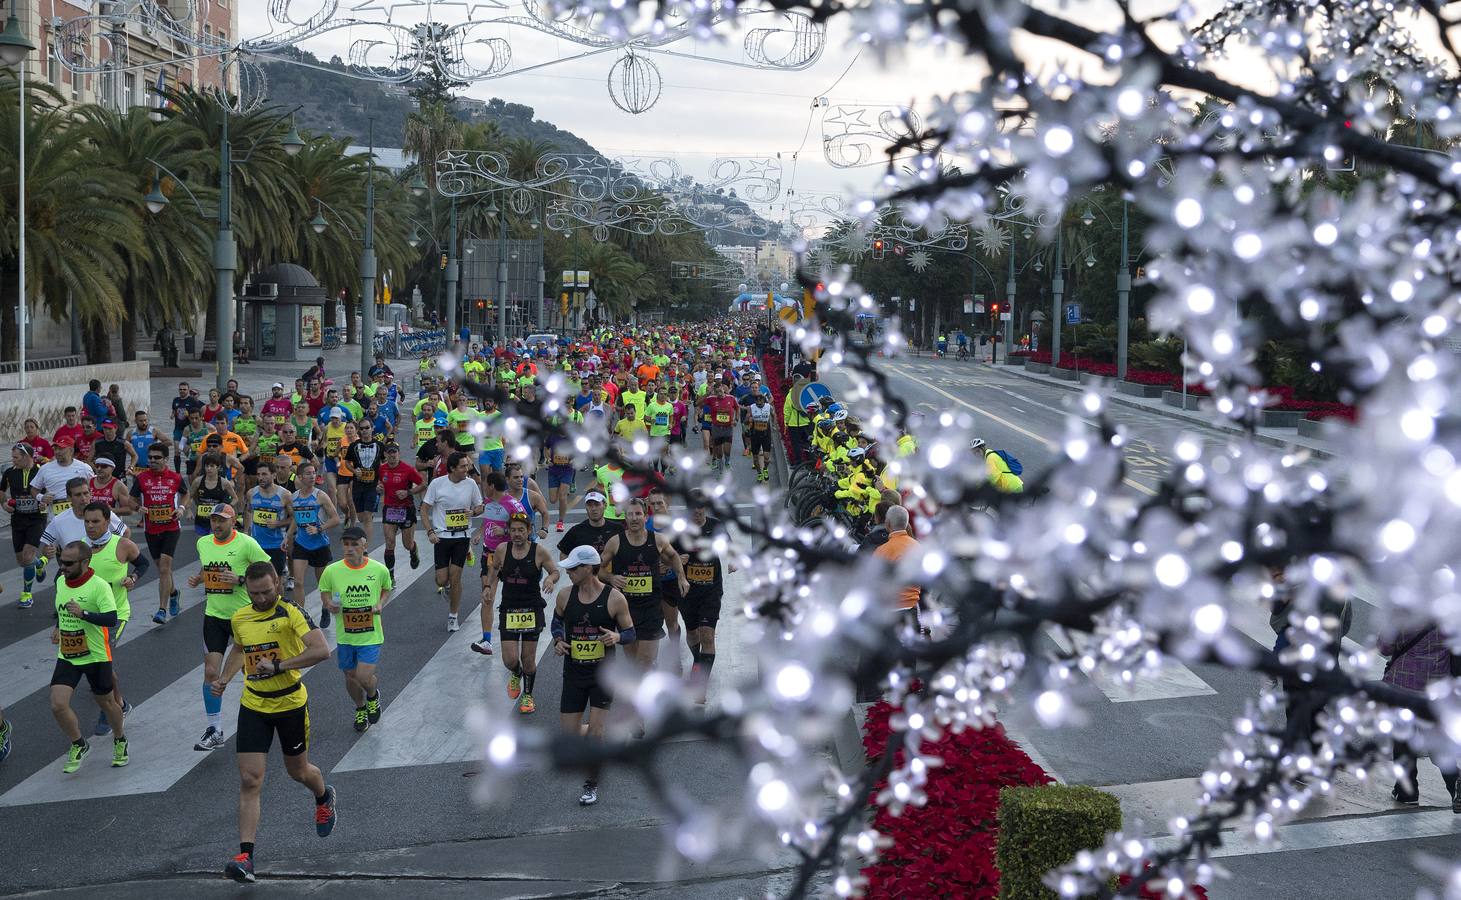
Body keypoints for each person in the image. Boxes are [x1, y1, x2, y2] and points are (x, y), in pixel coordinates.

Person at [215, 562, 335, 884]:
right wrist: (224, 678)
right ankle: (246, 858)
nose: (261, 598)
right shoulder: (240, 617)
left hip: (290, 703)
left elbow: (321, 650)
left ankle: (323, 796)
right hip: (254, 704)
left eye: (266, 592)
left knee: (299, 771)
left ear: (278, 585)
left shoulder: (291, 612)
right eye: (254, 593)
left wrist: (280, 665)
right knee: (250, 779)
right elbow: (239, 649)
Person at [551, 545, 635, 806]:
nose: (569, 573)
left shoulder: (614, 599)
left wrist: (617, 637)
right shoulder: (565, 596)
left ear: (588, 568)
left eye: (573, 568)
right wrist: (558, 640)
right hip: (574, 673)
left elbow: (631, 633)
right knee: (571, 736)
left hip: (603, 675)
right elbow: (556, 622)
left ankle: (591, 784)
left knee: (596, 734)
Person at [189, 503, 272, 752]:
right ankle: (215, 729)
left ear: (233, 521)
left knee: (253, 672)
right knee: (210, 672)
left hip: (243, 617)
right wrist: (200, 578)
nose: (216, 525)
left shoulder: (247, 543)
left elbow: (269, 573)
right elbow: (208, 566)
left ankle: (267, 717)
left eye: (221, 520)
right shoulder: (203, 543)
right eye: (214, 520)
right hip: (214, 615)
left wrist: (241, 579)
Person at [48, 540, 129, 774]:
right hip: (68, 654)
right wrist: (58, 627)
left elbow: (111, 618)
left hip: (95, 655)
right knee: (57, 704)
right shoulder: (61, 581)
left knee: (107, 703)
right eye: (61, 561)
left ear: (84, 562)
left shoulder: (99, 586)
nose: (62, 567)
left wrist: (83, 614)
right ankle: (79, 744)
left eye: (68, 563)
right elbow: (62, 608)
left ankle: (120, 739)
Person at [597, 499, 689, 675]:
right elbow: (597, 569)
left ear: (646, 516)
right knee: (633, 663)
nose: (634, 518)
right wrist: (611, 577)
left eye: (638, 514)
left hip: (651, 609)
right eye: (630, 514)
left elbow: (673, 556)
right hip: (625, 609)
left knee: (644, 661)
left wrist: (681, 577)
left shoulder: (658, 540)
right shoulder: (615, 542)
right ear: (625, 517)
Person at [482, 513, 560, 715]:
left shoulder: (539, 551)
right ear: (509, 531)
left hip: (531, 608)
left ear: (529, 531)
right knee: (509, 659)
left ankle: (527, 695)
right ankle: (516, 673)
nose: (517, 534)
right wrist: (488, 587)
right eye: (513, 530)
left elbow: (555, 571)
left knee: (528, 659)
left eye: (521, 530)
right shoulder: (502, 549)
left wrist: (550, 579)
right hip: (509, 608)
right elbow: (494, 569)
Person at [320, 527, 394, 733]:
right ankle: (360, 708)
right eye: (346, 544)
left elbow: (386, 588)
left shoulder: (378, 570)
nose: (349, 548)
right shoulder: (332, 571)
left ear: (364, 545)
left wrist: (380, 603)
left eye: (354, 544)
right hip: (346, 636)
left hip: (370, 634)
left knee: (363, 677)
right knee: (350, 677)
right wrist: (328, 604)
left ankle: (373, 696)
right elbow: (324, 591)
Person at [1380, 622, 1460, 809]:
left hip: (1403, 685)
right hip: (1436, 688)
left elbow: (1384, 647)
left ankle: (1406, 791)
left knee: (1402, 738)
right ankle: (1454, 782)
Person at [83, 502, 144, 735]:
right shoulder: (81, 548)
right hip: (87, 617)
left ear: (108, 522)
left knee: (101, 662)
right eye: (87, 521)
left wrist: (133, 578)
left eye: (96, 521)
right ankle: (120, 704)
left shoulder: (122, 545)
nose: (90, 526)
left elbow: (143, 563)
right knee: (96, 664)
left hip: (115, 616)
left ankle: (109, 710)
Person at [422, 451, 484, 633]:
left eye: (467, 465)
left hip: (461, 537)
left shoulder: (471, 484)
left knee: (456, 576)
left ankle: (453, 616)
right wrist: (430, 532)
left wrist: (474, 512)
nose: (467, 469)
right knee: (441, 580)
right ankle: (447, 587)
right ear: (452, 468)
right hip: (442, 537)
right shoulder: (437, 484)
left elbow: (480, 506)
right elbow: (424, 509)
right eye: (463, 466)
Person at [471, 471, 525, 656]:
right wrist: (480, 532)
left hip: (509, 556)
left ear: (492, 486)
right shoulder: (488, 502)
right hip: (489, 555)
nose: (483, 488)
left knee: (514, 599)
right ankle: (486, 640)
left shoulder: (513, 505)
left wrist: (505, 532)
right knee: (487, 596)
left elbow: (527, 529)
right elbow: (486, 519)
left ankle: (520, 635)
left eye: (485, 485)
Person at [680, 494, 728, 702]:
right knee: (692, 633)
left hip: (711, 590)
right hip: (687, 591)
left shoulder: (716, 526)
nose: (697, 511)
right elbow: (666, 554)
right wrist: (677, 558)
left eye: (701, 507)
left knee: (707, 635)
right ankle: (698, 660)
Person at [132, 444, 187, 623]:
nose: (152, 460)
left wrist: (181, 508)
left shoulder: (175, 477)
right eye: (150, 457)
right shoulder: (141, 478)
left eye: (157, 457)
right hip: (151, 529)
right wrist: (137, 507)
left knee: (164, 568)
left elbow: (185, 494)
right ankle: (174, 593)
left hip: (171, 527)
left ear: (166, 459)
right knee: (163, 570)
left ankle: (161, 610)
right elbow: (131, 498)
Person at [285, 461, 341, 628]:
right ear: (300, 477)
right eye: (308, 473)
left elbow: (336, 519)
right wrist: (287, 536)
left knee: (322, 583)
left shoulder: (320, 496)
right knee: (298, 582)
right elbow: (296, 519)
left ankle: (325, 608)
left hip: (319, 544)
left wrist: (319, 529)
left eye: (314, 473)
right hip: (301, 543)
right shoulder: (294, 497)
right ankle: (301, 616)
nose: (312, 476)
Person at [2, 442, 46, 607]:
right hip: (18, 519)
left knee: (28, 557)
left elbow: (51, 490)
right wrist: (4, 504)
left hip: (37, 519)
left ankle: (27, 594)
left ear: (27, 457)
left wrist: (45, 503)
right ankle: (39, 564)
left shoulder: (42, 471)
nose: (13, 460)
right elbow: (1, 491)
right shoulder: (10, 472)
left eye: (16, 458)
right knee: (22, 561)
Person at [377, 443, 424, 574]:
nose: (392, 455)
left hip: (406, 509)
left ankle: (413, 550)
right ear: (385, 455)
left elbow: (422, 484)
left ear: (399, 454)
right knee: (389, 543)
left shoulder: (408, 469)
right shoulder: (381, 469)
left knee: (407, 544)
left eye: (394, 452)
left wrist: (408, 492)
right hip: (389, 508)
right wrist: (378, 487)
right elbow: (379, 482)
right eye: (389, 453)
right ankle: (390, 575)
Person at [244, 462, 293, 579]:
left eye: (264, 474)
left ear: (274, 475)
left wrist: (279, 523)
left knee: (276, 580)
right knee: (256, 579)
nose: (260, 478)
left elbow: (295, 518)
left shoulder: (285, 495)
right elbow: (248, 512)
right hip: (256, 545)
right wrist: (246, 533)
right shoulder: (251, 493)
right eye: (258, 474)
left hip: (276, 544)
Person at [343, 420, 383, 542]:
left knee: (367, 517)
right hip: (358, 485)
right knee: (361, 517)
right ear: (359, 430)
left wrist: (381, 480)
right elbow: (347, 462)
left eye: (367, 427)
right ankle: (367, 515)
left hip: (373, 486)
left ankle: (366, 547)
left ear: (372, 428)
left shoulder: (380, 445)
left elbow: (385, 462)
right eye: (362, 428)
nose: (364, 430)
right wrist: (354, 471)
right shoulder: (354, 446)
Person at [745, 389, 775, 483]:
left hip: (766, 434)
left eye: (760, 401)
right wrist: (748, 418)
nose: (758, 403)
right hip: (755, 435)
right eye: (757, 401)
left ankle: (765, 469)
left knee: (766, 457)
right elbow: (746, 420)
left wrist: (774, 425)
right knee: (755, 458)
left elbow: (773, 415)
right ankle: (759, 473)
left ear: (763, 400)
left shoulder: (769, 407)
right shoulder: (751, 407)